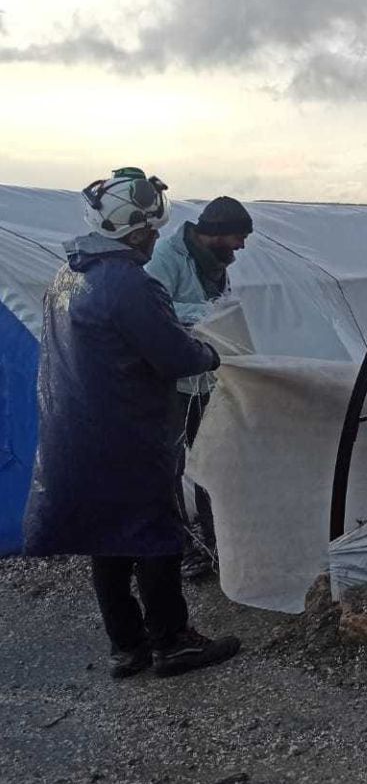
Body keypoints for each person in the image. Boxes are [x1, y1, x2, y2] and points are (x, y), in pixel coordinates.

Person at [23, 168, 241, 679]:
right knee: (155, 533)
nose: (155, 239)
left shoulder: (69, 276)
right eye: (151, 230)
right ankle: (173, 642)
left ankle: (128, 646)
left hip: (78, 432)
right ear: (135, 230)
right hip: (128, 433)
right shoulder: (129, 286)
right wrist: (213, 352)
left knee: (109, 539)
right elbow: (173, 355)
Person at [145, 196, 254, 579]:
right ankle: (185, 545)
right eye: (238, 238)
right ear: (217, 234)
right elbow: (150, 309)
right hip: (173, 380)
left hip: (203, 377)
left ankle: (216, 538)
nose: (241, 247)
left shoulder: (213, 262)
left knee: (210, 455)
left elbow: (214, 304)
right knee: (172, 465)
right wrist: (203, 314)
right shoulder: (167, 259)